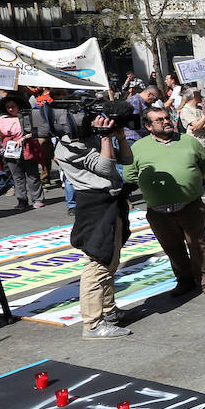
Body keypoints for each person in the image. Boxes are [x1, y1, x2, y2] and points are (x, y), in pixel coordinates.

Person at [54, 113, 134, 339]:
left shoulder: (91, 139)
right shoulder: (68, 146)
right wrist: (105, 137)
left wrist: (120, 137)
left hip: (111, 200)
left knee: (110, 260)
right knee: (97, 262)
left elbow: (126, 160)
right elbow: (107, 168)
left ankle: (109, 312)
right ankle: (92, 324)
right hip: (94, 205)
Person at [125, 107, 205, 297]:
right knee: (172, 247)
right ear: (148, 126)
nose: (166, 121)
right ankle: (184, 280)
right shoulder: (138, 147)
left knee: (198, 244)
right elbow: (129, 174)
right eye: (159, 120)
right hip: (158, 210)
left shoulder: (188, 141)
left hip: (190, 205)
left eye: (167, 118)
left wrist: (190, 179)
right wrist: (152, 189)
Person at [0, 95, 44, 209]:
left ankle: (37, 199)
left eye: (13, 106)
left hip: (28, 148)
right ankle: (22, 200)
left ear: (19, 106)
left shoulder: (28, 116)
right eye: (8, 107)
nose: (10, 109)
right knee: (17, 176)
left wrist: (23, 138)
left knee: (33, 175)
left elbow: (36, 131)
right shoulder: (2, 119)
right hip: (11, 149)